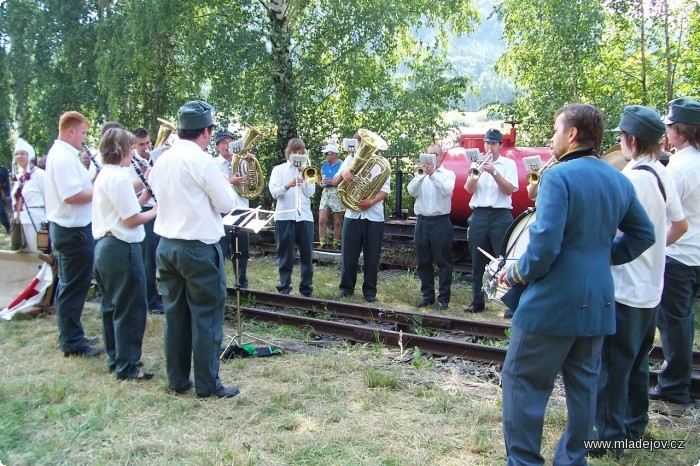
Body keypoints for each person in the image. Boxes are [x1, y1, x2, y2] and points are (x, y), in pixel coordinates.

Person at [497, 103, 655, 466]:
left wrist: (517, 272)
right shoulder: (618, 177)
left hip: (551, 303)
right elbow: (643, 234)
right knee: (584, 389)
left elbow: (544, 247)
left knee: (523, 383)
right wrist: (603, 257)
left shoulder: (558, 176)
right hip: (598, 301)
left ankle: (523, 461)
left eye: (555, 130)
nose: (552, 138)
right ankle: (572, 460)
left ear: (571, 134)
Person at [593, 106, 687, 458]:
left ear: (631, 140)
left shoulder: (632, 179)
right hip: (650, 287)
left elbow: (619, 233)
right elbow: (678, 227)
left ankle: (608, 441)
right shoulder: (662, 173)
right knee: (635, 365)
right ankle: (634, 427)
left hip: (625, 288)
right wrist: (656, 251)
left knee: (611, 368)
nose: (619, 142)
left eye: (620, 137)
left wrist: (606, 257)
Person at [148, 100, 239, 398]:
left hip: (167, 245)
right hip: (198, 247)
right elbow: (226, 204)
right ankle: (208, 384)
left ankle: (177, 379)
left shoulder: (161, 159)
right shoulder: (202, 161)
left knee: (175, 315)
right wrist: (224, 184)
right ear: (206, 131)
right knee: (207, 316)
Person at [92, 128, 158, 380]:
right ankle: (128, 366)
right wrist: (157, 210)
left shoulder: (105, 174)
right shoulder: (118, 177)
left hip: (105, 247)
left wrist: (145, 196)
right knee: (130, 308)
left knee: (111, 307)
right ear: (121, 149)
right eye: (130, 147)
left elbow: (124, 207)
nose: (133, 152)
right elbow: (131, 220)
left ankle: (116, 358)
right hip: (121, 248)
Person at [651, 98, 700, 406]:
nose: (666, 132)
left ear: (680, 131)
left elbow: (665, 214)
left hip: (679, 255)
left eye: (668, 126)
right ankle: (676, 374)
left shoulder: (680, 167)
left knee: (674, 323)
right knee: (684, 318)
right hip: (695, 254)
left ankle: (674, 387)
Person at [45, 111, 105, 357]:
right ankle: (71, 342)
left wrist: (93, 177)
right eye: (82, 132)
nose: (84, 138)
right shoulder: (62, 157)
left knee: (74, 287)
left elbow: (79, 188)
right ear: (71, 131)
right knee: (72, 288)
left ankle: (74, 336)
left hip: (74, 229)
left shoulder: (65, 155)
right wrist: (99, 186)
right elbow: (71, 196)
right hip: (73, 230)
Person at [463, 128, 518, 313]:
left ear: (500, 146)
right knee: (477, 260)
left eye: (493, 143)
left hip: (501, 216)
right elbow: (469, 189)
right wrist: (475, 171)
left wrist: (494, 172)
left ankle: (510, 303)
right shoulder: (476, 163)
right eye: (487, 143)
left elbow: (509, 190)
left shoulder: (508, 164)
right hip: (479, 214)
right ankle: (477, 302)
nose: (489, 147)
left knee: (503, 260)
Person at [332, 133, 391, 303]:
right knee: (348, 254)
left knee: (372, 256)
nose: (361, 145)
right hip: (352, 214)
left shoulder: (381, 164)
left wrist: (371, 201)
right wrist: (344, 173)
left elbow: (385, 190)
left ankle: (370, 291)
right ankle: (346, 288)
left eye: (363, 143)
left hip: (374, 216)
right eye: (360, 142)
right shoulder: (350, 160)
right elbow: (335, 182)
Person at [407, 143, 456, 310]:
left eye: (435, 154)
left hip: (440, 221)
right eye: (429, 155)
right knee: (423, 262)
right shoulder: (420, 175)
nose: (431, 158)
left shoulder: (448, 174)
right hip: (422, 221)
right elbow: (411, 192)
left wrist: (433, 174)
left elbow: (447, 191)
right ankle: (427, 296)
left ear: (441, 157)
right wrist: (421, 176)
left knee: (443, 262)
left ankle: (444, 299)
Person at [268, 138, 315, 296]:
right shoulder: (279, 169)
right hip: (284, 216)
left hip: (305, 217)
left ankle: (306, 288)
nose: (299, 155)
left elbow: (310, 193)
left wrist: (305, 178)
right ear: (289, 153)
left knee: (307, 254)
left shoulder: (308, 170)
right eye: (296, 152)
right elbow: (274, 193)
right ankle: (284, 286)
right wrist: (287, 185)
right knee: (285, 253)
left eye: (302, 152)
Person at [129, 127, 163, 314]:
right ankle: (151, 300)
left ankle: (156, 295)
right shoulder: (131, 163)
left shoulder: (151, 159)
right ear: (133, 145)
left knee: (157, 257)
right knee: (148, 259)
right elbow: (129, 191)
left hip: (157, 210)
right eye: (141, 144)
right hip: (143, 209)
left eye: (148, 143)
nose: (146, 147)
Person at [213, 129, 250, 289]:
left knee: (242, 250)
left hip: (242, 210)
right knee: (221, 249)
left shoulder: (243, 162)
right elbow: (213, 188)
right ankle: (218, 283)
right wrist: (230, 181)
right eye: (224, 143)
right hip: (222, 211)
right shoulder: (213, 164)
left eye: (230, 142)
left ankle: (241, 282)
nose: (228, 145)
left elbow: (253, 186)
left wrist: (249, 164)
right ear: (217, 147)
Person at [11, 138, 47, 253]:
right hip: (20, 220)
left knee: (39, 254)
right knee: (22, 255)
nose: (19, 156)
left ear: (30, 155)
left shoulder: (40, 175)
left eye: (22, 153)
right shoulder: (18, 177)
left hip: (37, 220)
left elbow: (48, 198)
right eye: (16, 154)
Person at [317, 144, 345, 248]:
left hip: (337, 192)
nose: (325, 156)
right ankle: (322, 243)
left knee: (337, 221)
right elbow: (318, 180)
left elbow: (345, 180)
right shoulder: (324, 166)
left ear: (333, 154)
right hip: (326, 192)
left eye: (326, 154)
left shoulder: (342, 165)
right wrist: (321, 183)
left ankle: (336, 244)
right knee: (322, 220)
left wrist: (334, 182)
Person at [0, 163, 11, 234]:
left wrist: (7, 194)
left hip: (1, 193)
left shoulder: (3, 170)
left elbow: (7, 183)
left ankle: (7, 226)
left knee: (2, 210)